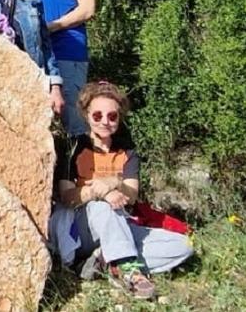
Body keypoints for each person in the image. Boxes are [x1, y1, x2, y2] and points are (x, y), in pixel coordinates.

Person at [50, 81, 192, 301]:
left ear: (119, 117)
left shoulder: (127, 153)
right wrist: (102, 193)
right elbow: (68, 198)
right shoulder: (74, 148)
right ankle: (129, 270)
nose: (105, 122)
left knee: (182, 246)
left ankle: (105, 261)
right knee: (103, 208)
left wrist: (113, 181)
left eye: (112, 116)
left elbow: (132, 195)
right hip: (80, 225)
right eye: (97, 115)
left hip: (120, 222)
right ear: (86, 115)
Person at [24, 0, 96, 136]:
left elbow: (87, 9)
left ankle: (80, 169)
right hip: (39, 56)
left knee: (73, 121)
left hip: (68, 50)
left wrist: (53, 26)